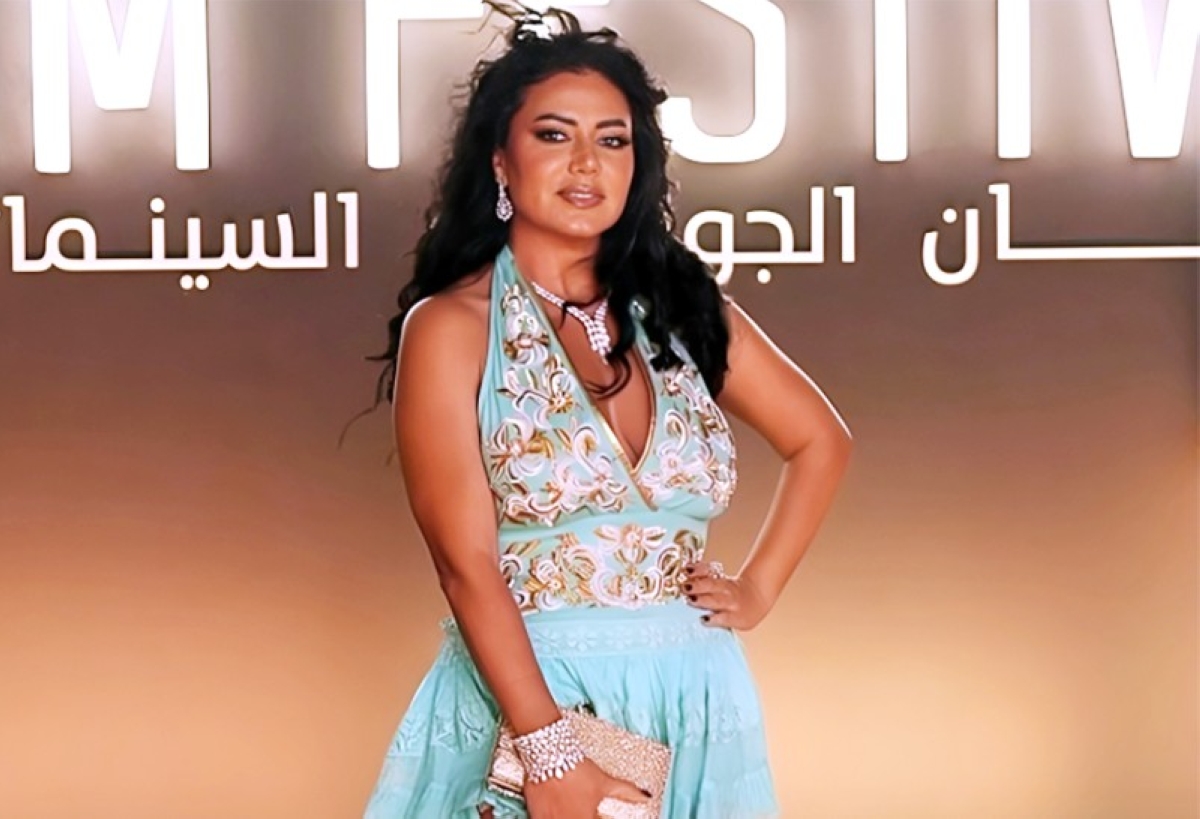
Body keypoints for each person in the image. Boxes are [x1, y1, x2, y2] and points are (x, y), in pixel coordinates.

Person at [361, 3, 852, 817]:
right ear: (500, 160)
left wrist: (757, 588)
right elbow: (464, 562)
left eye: (613, 140)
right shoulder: (451, 327)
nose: (586, 162)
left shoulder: (687, 312)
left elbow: (820, 440)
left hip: (696, 700)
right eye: (554, 134)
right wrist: (549, 751)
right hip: (532, 705)